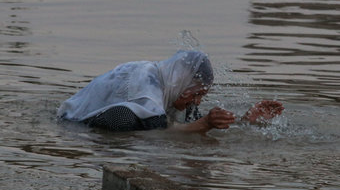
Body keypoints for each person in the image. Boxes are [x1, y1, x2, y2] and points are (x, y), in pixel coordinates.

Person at [57, 50, 283, 133]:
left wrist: (244, 123)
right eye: (194, 94)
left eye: (201, 97)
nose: (194, 102)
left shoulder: (171, 87)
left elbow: (185, 127)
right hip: (71, 122)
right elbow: (159, 132)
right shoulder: (147, 84)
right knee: (125, 119)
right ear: (181, 82)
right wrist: (204, 124)